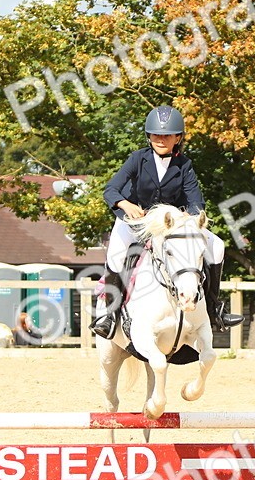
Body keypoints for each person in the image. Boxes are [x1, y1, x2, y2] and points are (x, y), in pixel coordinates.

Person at [89, 105, 243, 339]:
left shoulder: (184, 165)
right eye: (156, 135)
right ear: (149, 136)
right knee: (116, 254)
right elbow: (111, 189)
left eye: (167, 135)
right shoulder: (137, 159)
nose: (161, 139)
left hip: (171, 227)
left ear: (177, 138)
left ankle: (213, 309)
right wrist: (125, 204)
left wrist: (188, 220)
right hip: (136, 222)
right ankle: (110, 316)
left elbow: (195, 202)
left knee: (217, 246)